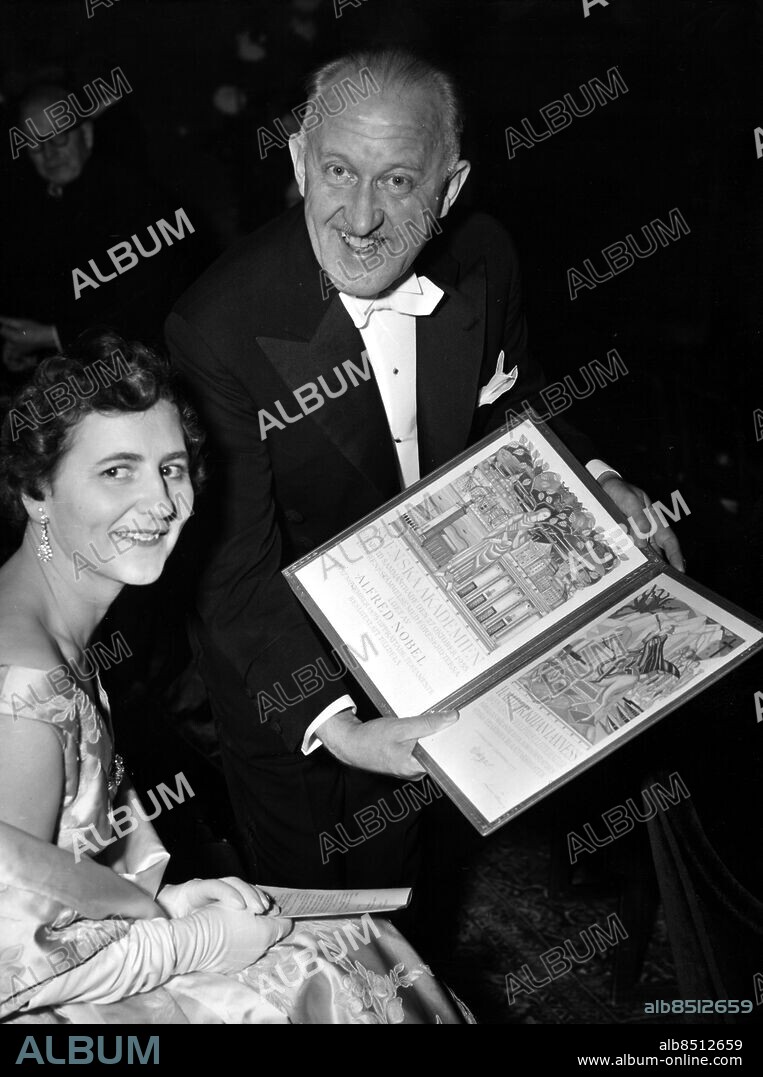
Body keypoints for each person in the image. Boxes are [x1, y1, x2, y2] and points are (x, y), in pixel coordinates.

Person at [166, 47, 684, 889]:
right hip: (299, 675)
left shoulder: (483, 253)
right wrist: (340, 729)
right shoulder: (214, 327)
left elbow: (512, 394)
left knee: (442, 879)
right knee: (347, 933)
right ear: (298, 161)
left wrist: (592, 474)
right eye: (337, 171)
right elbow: (234, 572)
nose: (361, 219)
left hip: (461, 624)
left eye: (400, 182)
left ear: (449, 188)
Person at [0, 335, 469, 1025]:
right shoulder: (27, 696)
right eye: (116, 472)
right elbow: (12, 956)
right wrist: (189, 940)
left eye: (171, 468)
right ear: (38, 490)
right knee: (336, 973)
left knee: (352, 943)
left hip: (96, 940)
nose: (159, 502)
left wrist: (160, 904)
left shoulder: (44, 621)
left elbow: (52, 869)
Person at [0, 81, 209, 378]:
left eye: (58, 137)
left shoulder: (136, 199)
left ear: (85, 134)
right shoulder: (33, 213)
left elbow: (150, 307)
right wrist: (32, 352)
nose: (49, 153)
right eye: (35, 143)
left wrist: (50, 336)